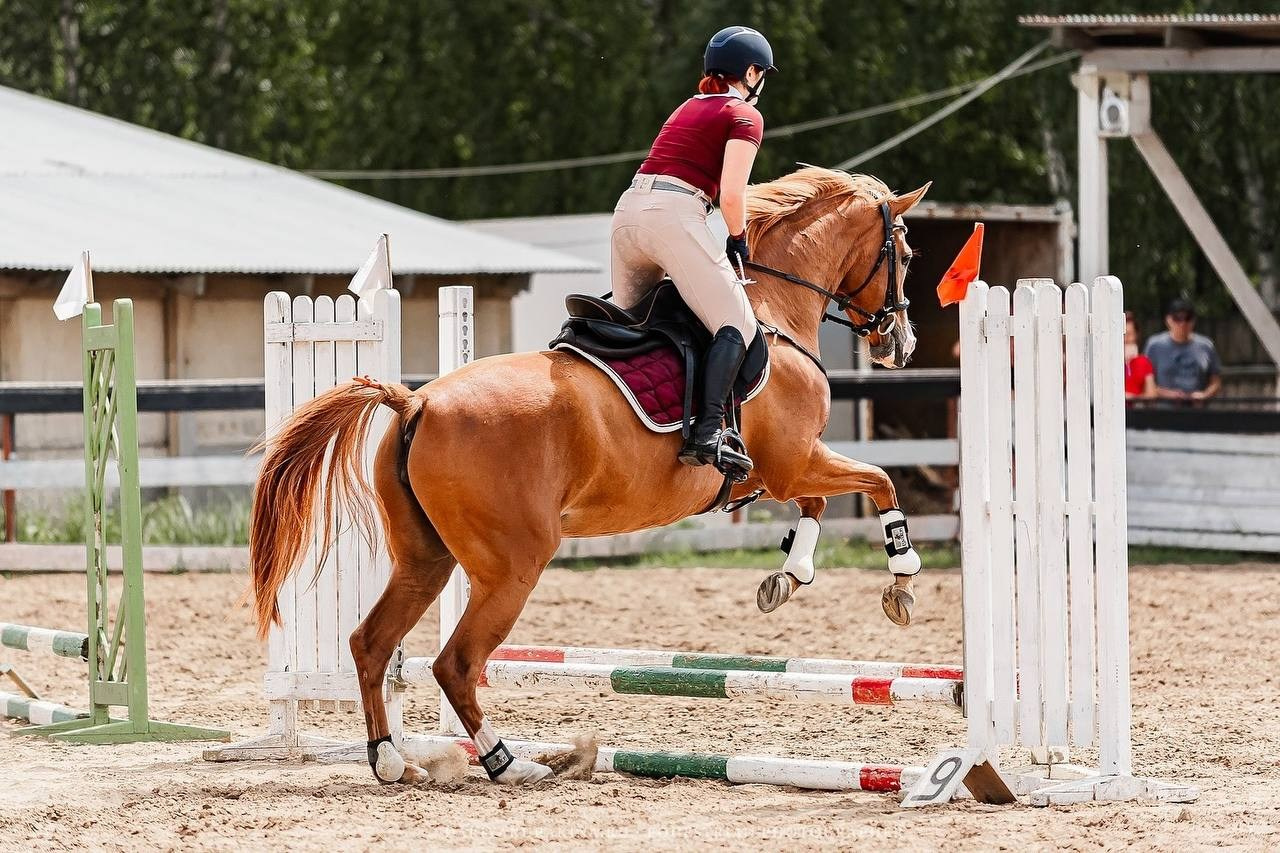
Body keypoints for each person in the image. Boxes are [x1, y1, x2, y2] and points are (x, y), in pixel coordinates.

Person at [609, 25, 777, 477]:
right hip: (674, 215)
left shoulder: (687, 106)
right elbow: (732, 196)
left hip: (627, 214)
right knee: (737, 324)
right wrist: (738, 237)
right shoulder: (745, 115)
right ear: (751, 73)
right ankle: (707, 434)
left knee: (629, 325)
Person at [1144, 297, 1222, 402]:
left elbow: (1216, 382)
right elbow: (1145, 382)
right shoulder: (1154, 345)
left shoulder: (1206, 346)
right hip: (1164, 408)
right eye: (1177, 318)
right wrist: (1167, 394)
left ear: (1193, 321)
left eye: (1187, 318)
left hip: (1197, 408)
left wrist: (1204, 395)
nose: (1183, 323)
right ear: (1168, 320)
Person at [1124, 311, 1156, 400]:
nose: (1125, 339)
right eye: (1122, 335)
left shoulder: (1144, 361)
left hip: (1136, 407)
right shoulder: (1108, 360)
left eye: (1129, 334)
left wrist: (1132, 397)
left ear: (1136, 335)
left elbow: (1151, 394)